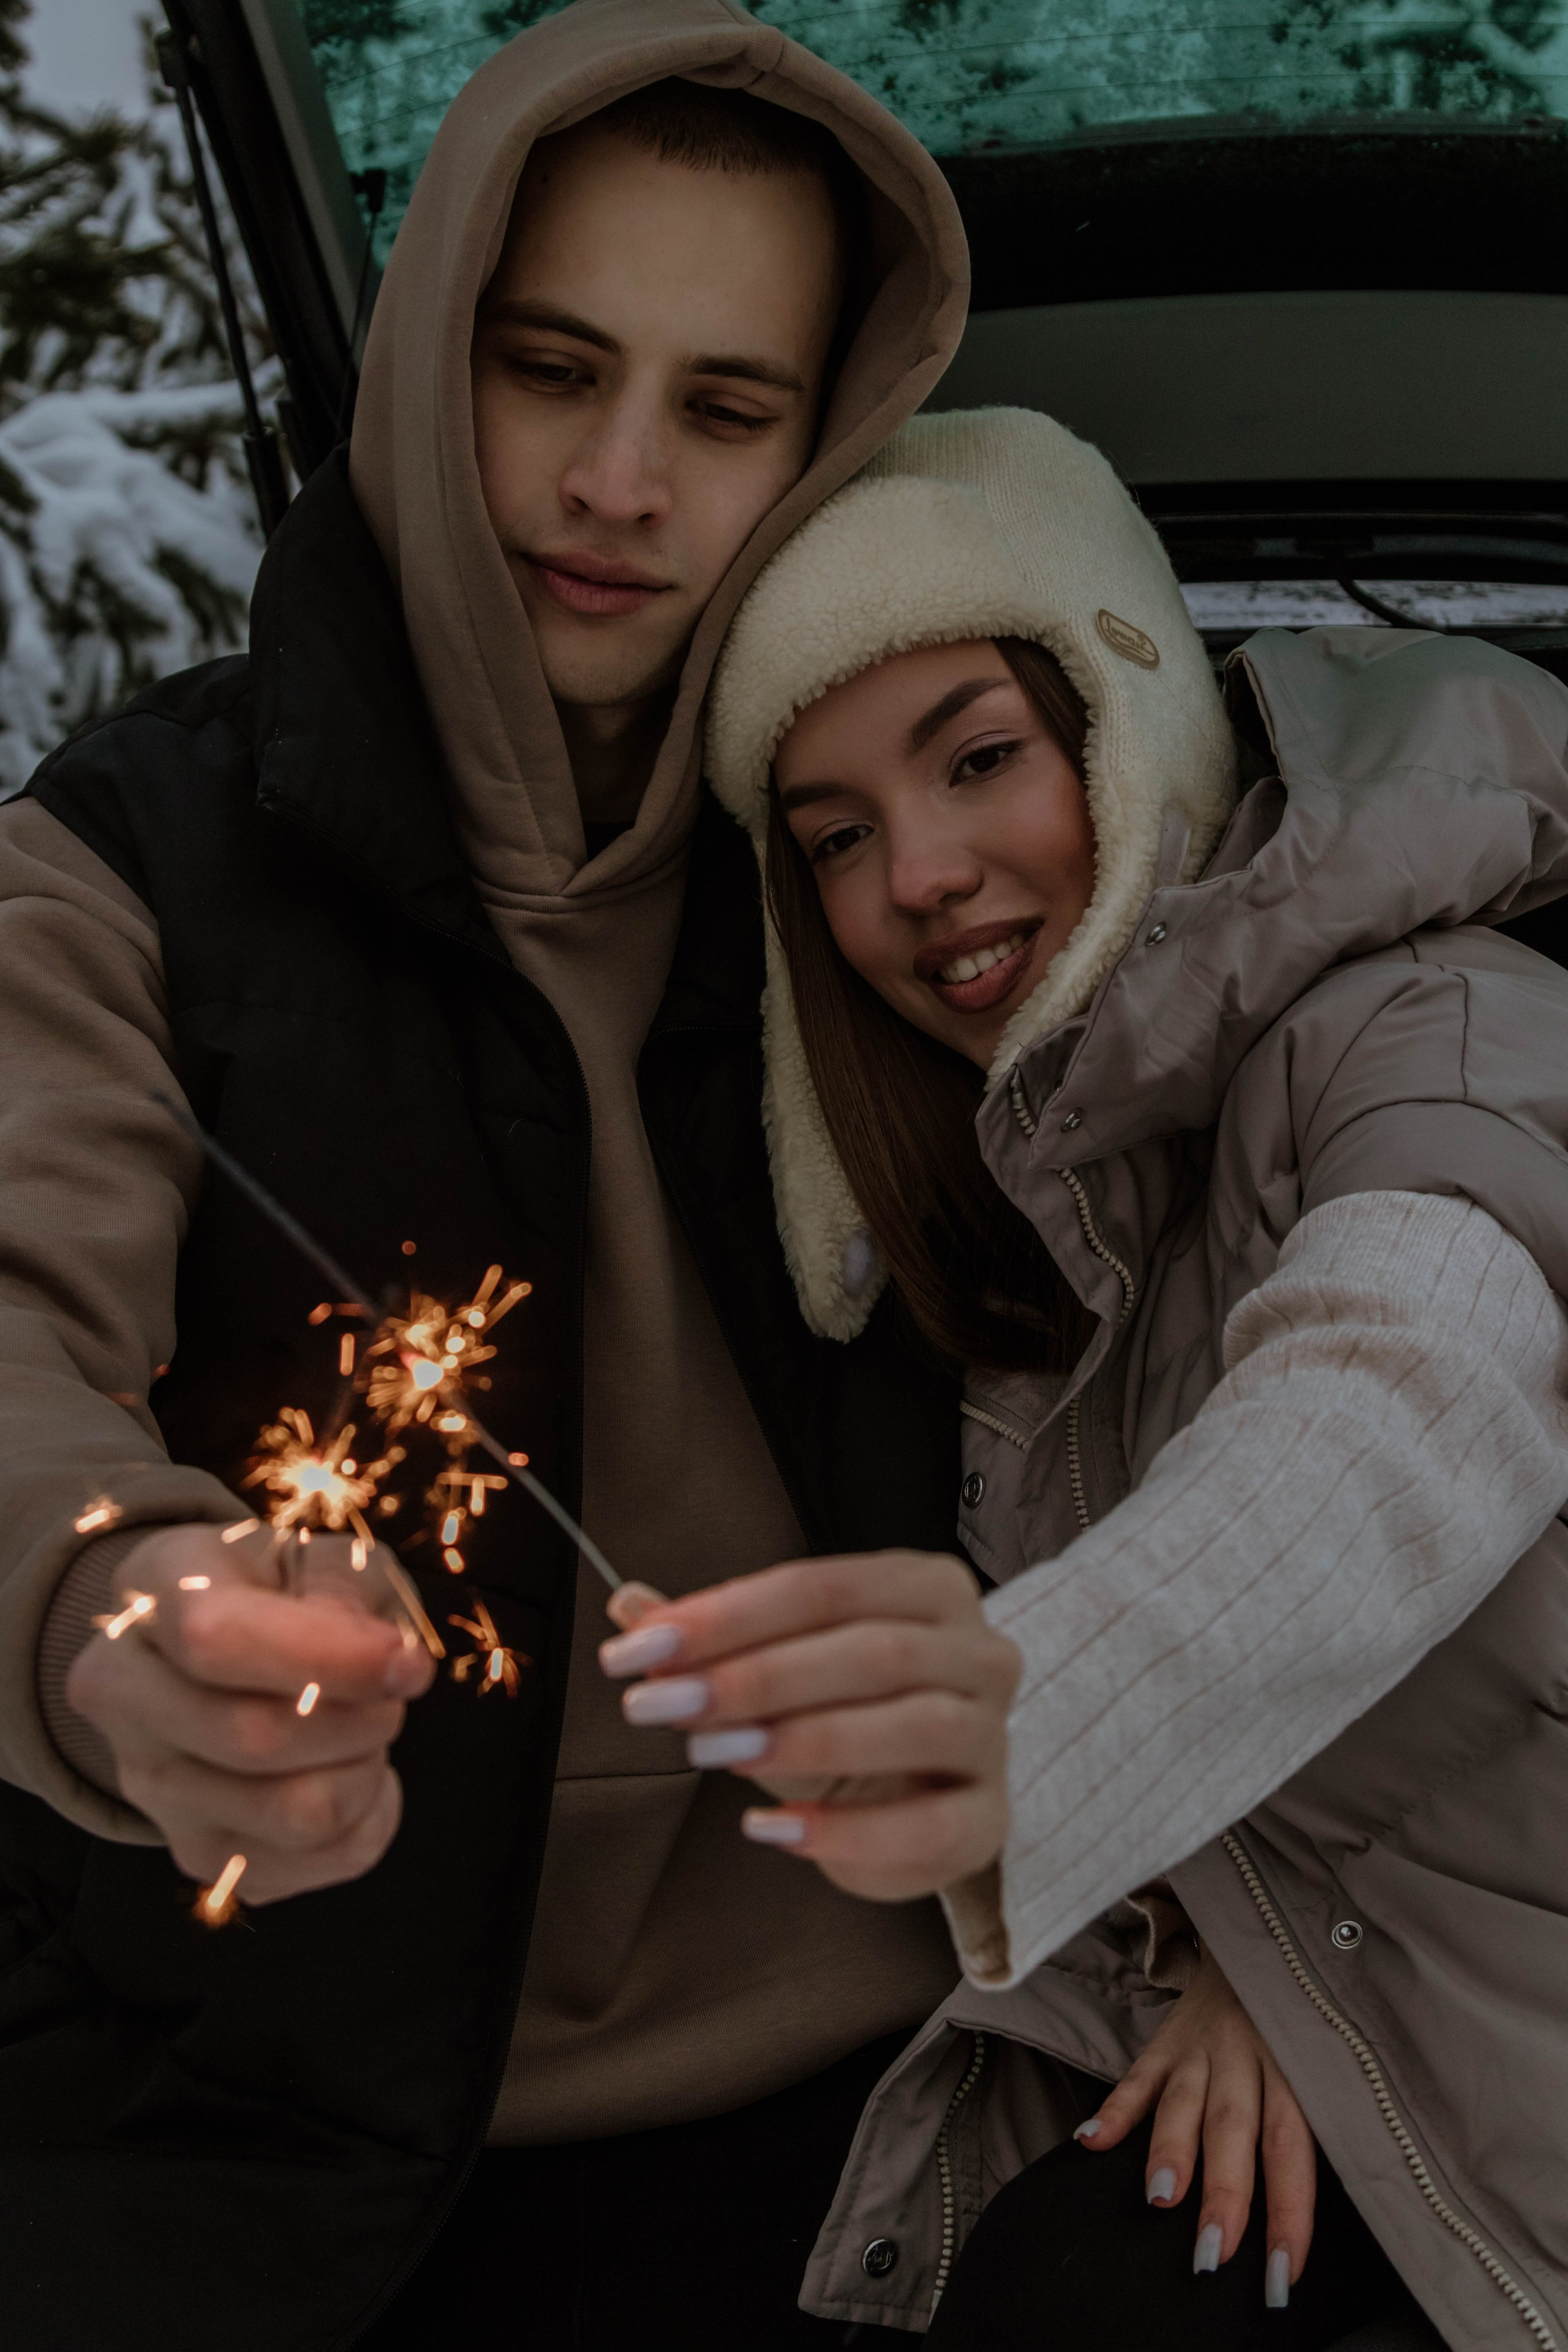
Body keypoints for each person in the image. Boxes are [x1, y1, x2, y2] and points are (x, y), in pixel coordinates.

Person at [0, 6, 974, 2346]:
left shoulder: (918, 869)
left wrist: (1237, 1918)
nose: (620, 480)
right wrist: (112, 1624)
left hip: (936, 2107)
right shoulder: (119, 872)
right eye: (552, 369)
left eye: (725, 411)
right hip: (281, 2165)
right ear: (431, 356)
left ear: (822, 449)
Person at [602, 404, 1568, 2347]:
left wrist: (1029, 1730)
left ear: (1131, 720)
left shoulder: (1436, 1021)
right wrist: (1223, 1945)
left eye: (979, 759)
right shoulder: (1021, 1245)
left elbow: (1403, 1398)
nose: (925, 878)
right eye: (840, 840)